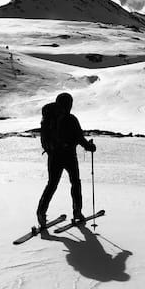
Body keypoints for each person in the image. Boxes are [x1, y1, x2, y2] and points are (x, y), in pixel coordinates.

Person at [36, 92, 96, 227]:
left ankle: (41, 212)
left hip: (53, 156)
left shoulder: (48, 118)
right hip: (69, 156)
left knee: (52, 184)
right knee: (75, 182)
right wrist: (90, 147)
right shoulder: (70, 119)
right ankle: (77, 212)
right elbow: (79, 138)